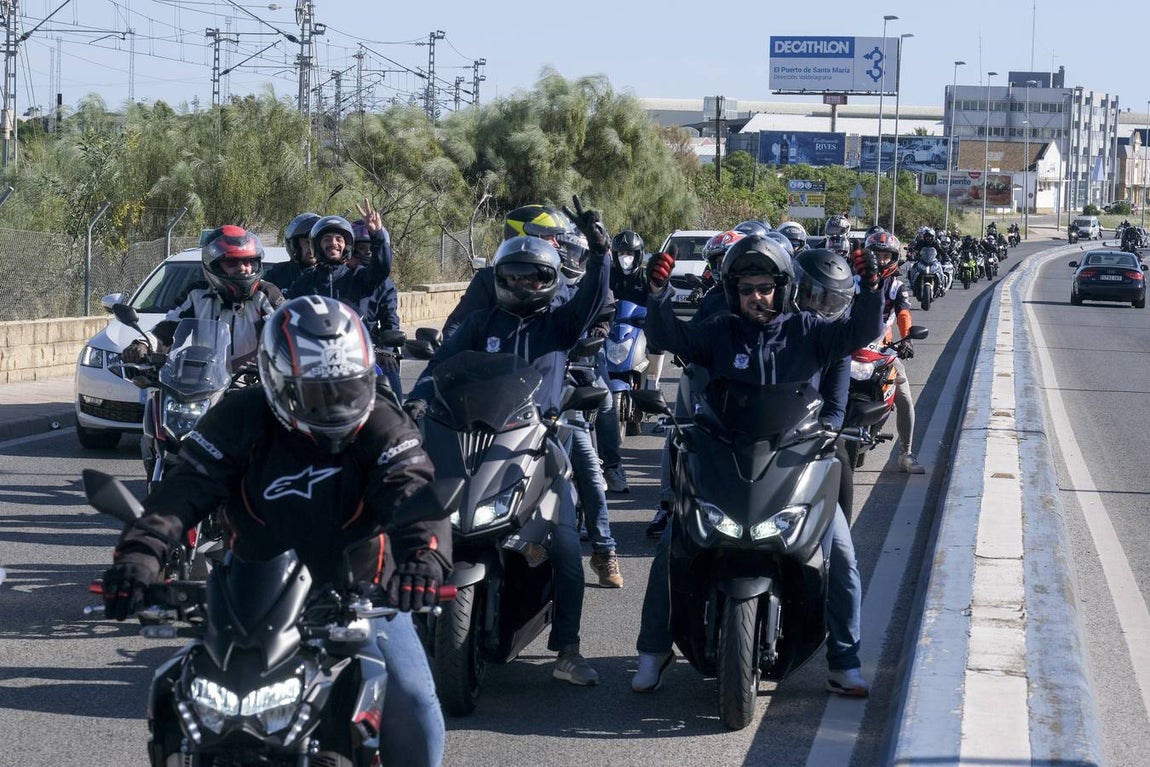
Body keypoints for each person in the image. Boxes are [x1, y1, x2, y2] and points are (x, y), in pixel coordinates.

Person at [102, 295, 452, 767]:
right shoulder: (238, 417)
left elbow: (410, 493)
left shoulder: (385, 423)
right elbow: (183, 490)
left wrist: (422, 560)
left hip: (362, 594)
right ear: (277, 382)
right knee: (175, 688)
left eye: (347, 389)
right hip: (251, 597)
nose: (336, 405)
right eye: (318, 393)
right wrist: (139, 557)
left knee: (409, 696)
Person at [630, 234, 886, 698]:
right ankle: (653, 650)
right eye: (747, 289)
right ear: (734, 292)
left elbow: (859, 334)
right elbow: (670, 337)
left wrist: (871, 289)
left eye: (765, 288)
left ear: (782, 288)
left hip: (796, 460)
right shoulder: (720, 332)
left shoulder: (810, 330)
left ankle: (844, 661)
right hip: (728, 459)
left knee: (843, 558)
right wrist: (658, 295)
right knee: (672, 547)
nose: (756, 297)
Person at [405, 200, 612, 684]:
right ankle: (401, 626)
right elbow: (441, 366)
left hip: (540, 439)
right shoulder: (481, 323)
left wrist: (601, 253)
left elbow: (593, 302)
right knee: (414, 520)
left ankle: (568, 649)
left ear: (552, 279)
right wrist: (416, 399)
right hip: (471, 434)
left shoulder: (560, 323)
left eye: (535, 277)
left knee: (563, 540)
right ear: (499, 278)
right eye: (513, 276)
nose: (523, 285)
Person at [122, 225, 283, 370]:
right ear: (213, 265)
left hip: (254, 383)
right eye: (232, 262)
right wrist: (143, 345)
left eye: (248, 261)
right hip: (205, 382)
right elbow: (168, 327)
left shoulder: (266, 294)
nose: (242, 268)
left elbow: (285, 334)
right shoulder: (197, 294)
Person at [863, 230, 924, 473]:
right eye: (875, 254)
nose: (879, 260)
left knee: (905, 398)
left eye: (885, 255)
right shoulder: (852, 280)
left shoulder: (897, 286)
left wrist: (906, 339)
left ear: (894, 258)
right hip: (850, 347)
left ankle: (906, 453)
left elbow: (903, 314)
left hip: (882, 350)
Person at [286, 200, 393, 312]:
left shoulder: (359, 277)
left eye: (339, 239)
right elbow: (287, 313)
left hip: (353, 329)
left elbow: (382, 268)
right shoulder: (305, 281)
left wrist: (377, 235)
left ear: (347, 246)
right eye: (327, 239)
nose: (333, 243)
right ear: (317, 245)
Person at [264, 211, 319, 292]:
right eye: (307, 242)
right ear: (294, 246)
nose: (312, 248)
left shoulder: (332, 276)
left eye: (315, 243)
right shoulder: (277, 274)